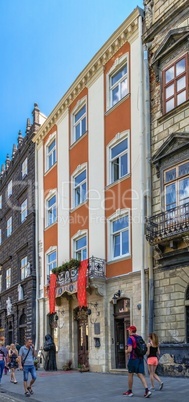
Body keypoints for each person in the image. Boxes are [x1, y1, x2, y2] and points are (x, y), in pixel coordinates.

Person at [123, 325, 151, 398]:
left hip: (133, 358)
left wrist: (125, 351)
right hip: (140, 358)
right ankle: (147, 390)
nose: (128, 331)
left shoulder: (130, 338)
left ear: (131, 331)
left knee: (130, 374)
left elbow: (130, 350)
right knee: (140, 374)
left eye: (129, 330)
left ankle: (130, 391)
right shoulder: (139, 337)